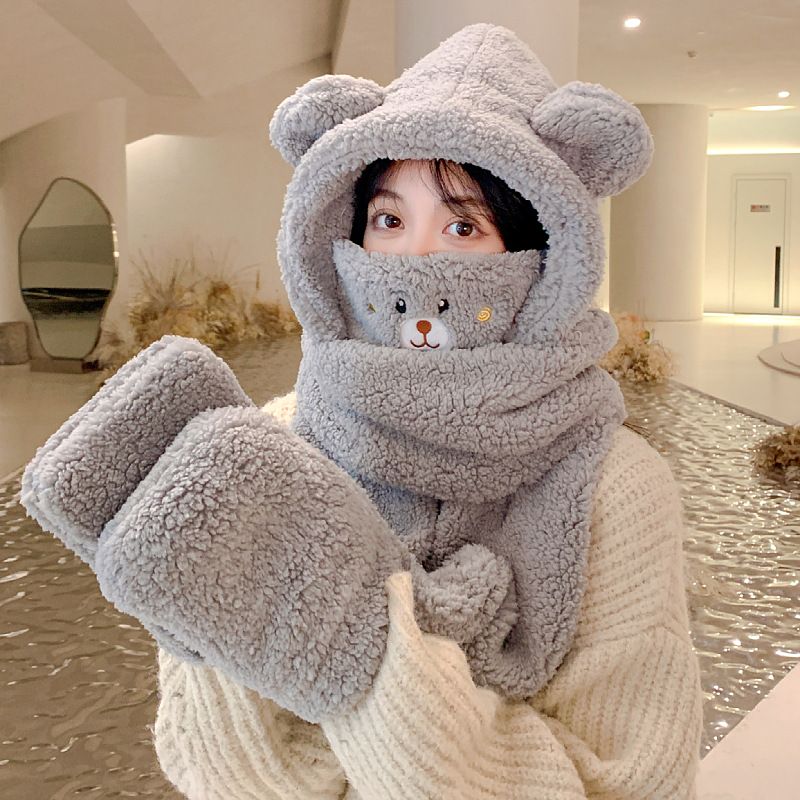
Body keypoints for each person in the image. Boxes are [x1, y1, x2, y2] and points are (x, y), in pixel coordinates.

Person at [22, 23, 703, 799]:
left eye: (463, 225)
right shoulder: (266, 444)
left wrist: (360, 639)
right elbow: (204, 763)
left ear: (544, 256)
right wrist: (210, 620)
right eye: (388, 220)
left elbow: (636, 782)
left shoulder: (617, 489)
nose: (414, 258)